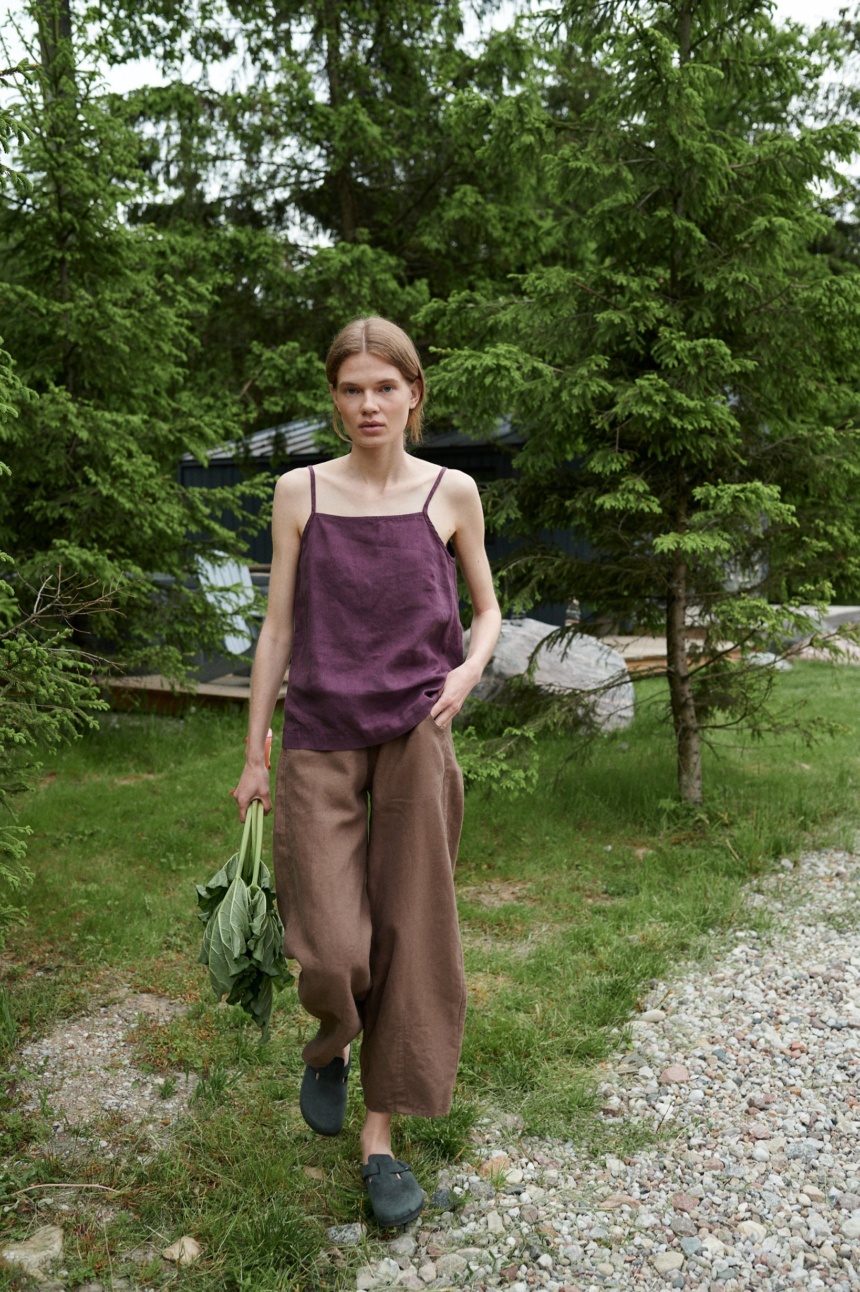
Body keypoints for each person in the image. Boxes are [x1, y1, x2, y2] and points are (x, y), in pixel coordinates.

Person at [231, 315, 501, 1227]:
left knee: (411, 931)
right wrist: (252, 751)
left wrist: (467, 670)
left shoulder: (451, 491)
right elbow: (274, 630)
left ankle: (380, 1143)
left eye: (386, 387)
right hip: (317, 733)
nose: (369, 404)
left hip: (417, 736)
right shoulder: (299, 491)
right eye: (352, 389)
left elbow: (490, 611)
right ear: (336, 400)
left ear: (415, 394)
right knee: (332, 942)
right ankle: (332, 1040)